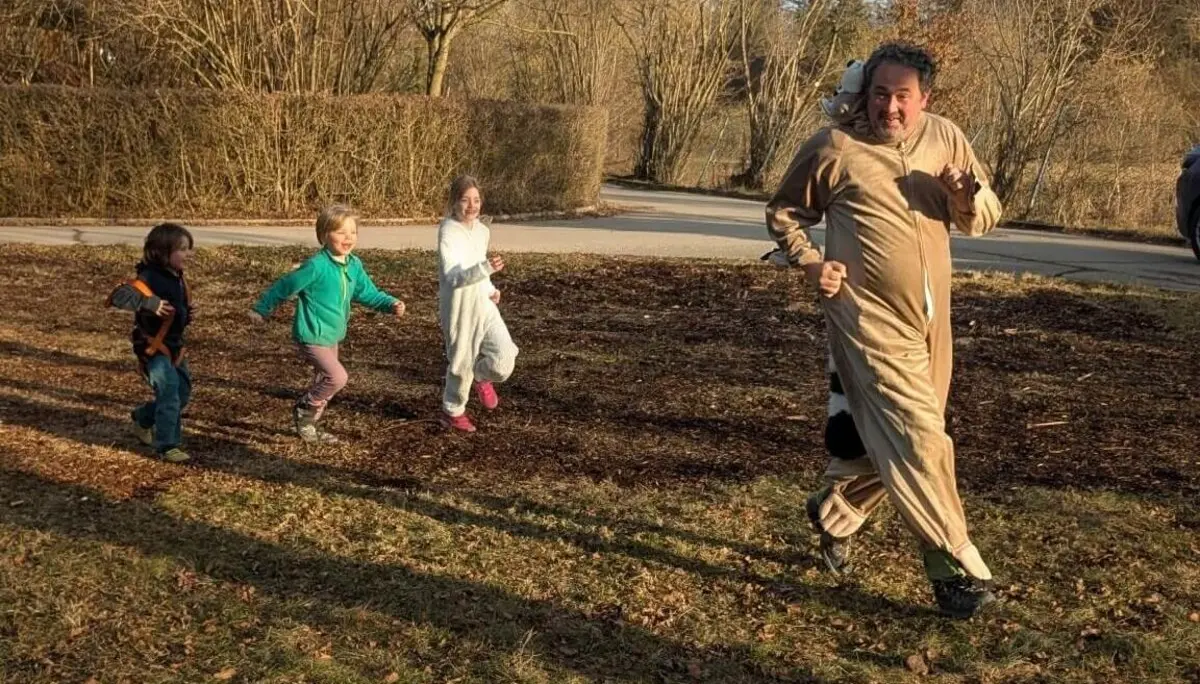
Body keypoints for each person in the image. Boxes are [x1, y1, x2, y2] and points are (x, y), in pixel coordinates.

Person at [766, 41, 1003, 618]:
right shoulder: (835, 147)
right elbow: (784, 212)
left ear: (924, 98)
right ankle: (954, 567)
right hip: (865, 317)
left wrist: (964, 196)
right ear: (864, 94)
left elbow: (985, 213)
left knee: (897, 441)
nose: (889, 108)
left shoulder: (946, 137)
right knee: (922, 439)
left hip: (931, 320)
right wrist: (810, 264)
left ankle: (835, 509)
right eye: (879, 94)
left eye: (902, 97)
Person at [251, 204, 405, 443]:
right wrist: (262, 308)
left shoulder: (353, 265)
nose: (348, 237)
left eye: (353, 232)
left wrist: (390, 303)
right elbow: (285, 286)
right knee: (337, 377)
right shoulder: (316, 266)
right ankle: (305, 408)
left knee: (323, 382)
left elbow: (367, 293)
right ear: (324, 235)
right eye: (341, 232)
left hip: (333, 335)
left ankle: (309, 427)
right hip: (311, 335)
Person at [106, 222, 196, 463]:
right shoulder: (149, 277)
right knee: (169, 393)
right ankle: (167, 445)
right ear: (162, 252)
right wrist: (150, 303)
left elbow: (176, 307)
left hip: (176, 346)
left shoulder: (176, 276)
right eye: (183, 249)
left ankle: (143, 418)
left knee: (183, 393)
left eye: (189, 249)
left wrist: (186, 313)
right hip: (154, 348)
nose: (189, 254)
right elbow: (119, 296)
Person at [437, 175, 519, 433]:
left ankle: (481, 376)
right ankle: (453, 411)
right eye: (465, 200)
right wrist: (485, 270)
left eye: (476, 200)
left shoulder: (482, 231)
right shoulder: (448, 231)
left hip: (483, 303)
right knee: (460, 363)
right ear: (454, 203)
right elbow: (452, 277)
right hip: (461, 308)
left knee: (505, 357)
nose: (472, 206)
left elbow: (479, 264)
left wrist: (491, 289)